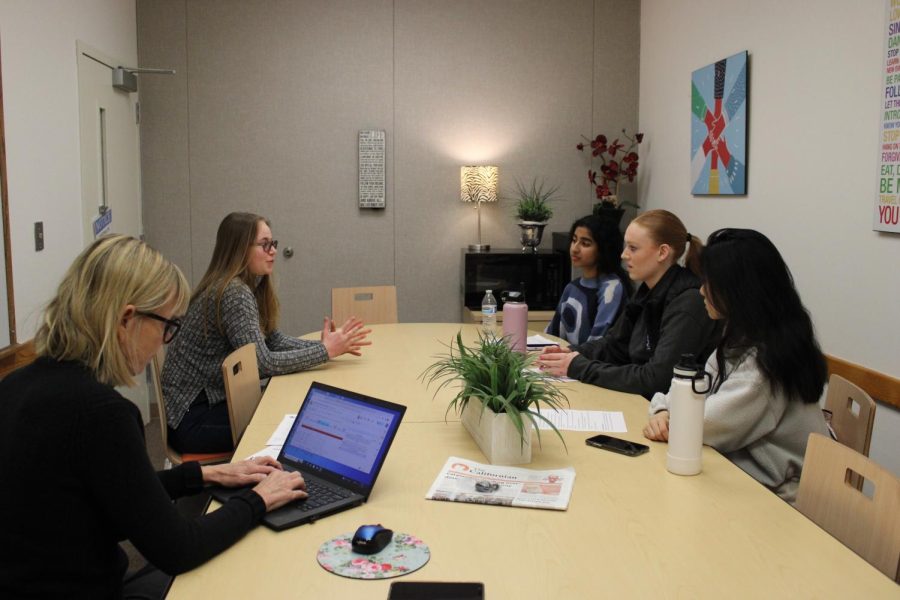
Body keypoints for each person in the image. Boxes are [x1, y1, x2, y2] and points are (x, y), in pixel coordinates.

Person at [0, 235, 309, 599]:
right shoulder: (101, 413)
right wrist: (259, 499)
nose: (166, 340)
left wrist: (201, 474)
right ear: (127, 320)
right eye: (167, 326)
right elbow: (179, 549)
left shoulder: (16, 384)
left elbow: (116, 493)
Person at [643, 229, 829, 503]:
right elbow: (691, 392)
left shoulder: (766, 365)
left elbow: (696, 425)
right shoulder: (741, 338)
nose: (701, 290)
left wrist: (665, 412)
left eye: (709, 283)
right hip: (747, 478)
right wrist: (662, 406)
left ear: (738, 291)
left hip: (781, 503)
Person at [162, 212, 371, 454]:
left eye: (273, 244)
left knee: (295, 409)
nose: (273, 251)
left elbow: (272, 340)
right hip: (192, 419)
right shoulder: (233, 293)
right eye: (264, 245)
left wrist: (324, 348)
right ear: (239, 249)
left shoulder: (247, 285)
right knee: (298, 427)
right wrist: (325, 351)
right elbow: (262, 363)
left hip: (209, 405)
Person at [539, 209, 720, 398]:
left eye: (633, 248)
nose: (624, 255)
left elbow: (656, 379)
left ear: (663, 252)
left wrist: (578, 366)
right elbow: (614, 345)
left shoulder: (688, 303)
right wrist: (569, 353)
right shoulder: (648, 292)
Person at [545, 215, 631, 345]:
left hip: (591, 363)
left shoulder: (611, 289)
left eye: (585, 243)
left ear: (603, 249)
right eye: (574, 241)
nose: (574, 249)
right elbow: (553, 334)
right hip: (570, 360)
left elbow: (597, 343)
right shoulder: (572, 287)